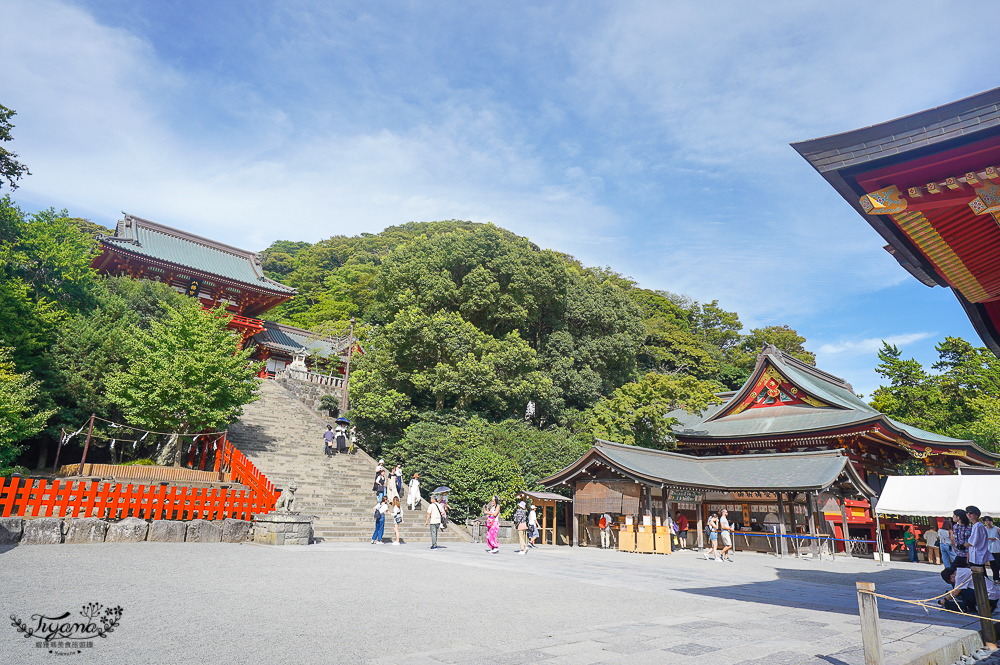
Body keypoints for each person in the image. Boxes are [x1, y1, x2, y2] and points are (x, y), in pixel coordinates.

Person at [985, 516, 1000, 582]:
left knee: (998, 564)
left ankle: (996, 578)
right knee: (993, 565)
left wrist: (996, 539)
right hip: (989, 549)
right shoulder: (984, 529)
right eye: (986, 521)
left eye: (989, 521)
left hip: (997, 549)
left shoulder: (997, 529)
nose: (988, 522)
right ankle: (995, 578)